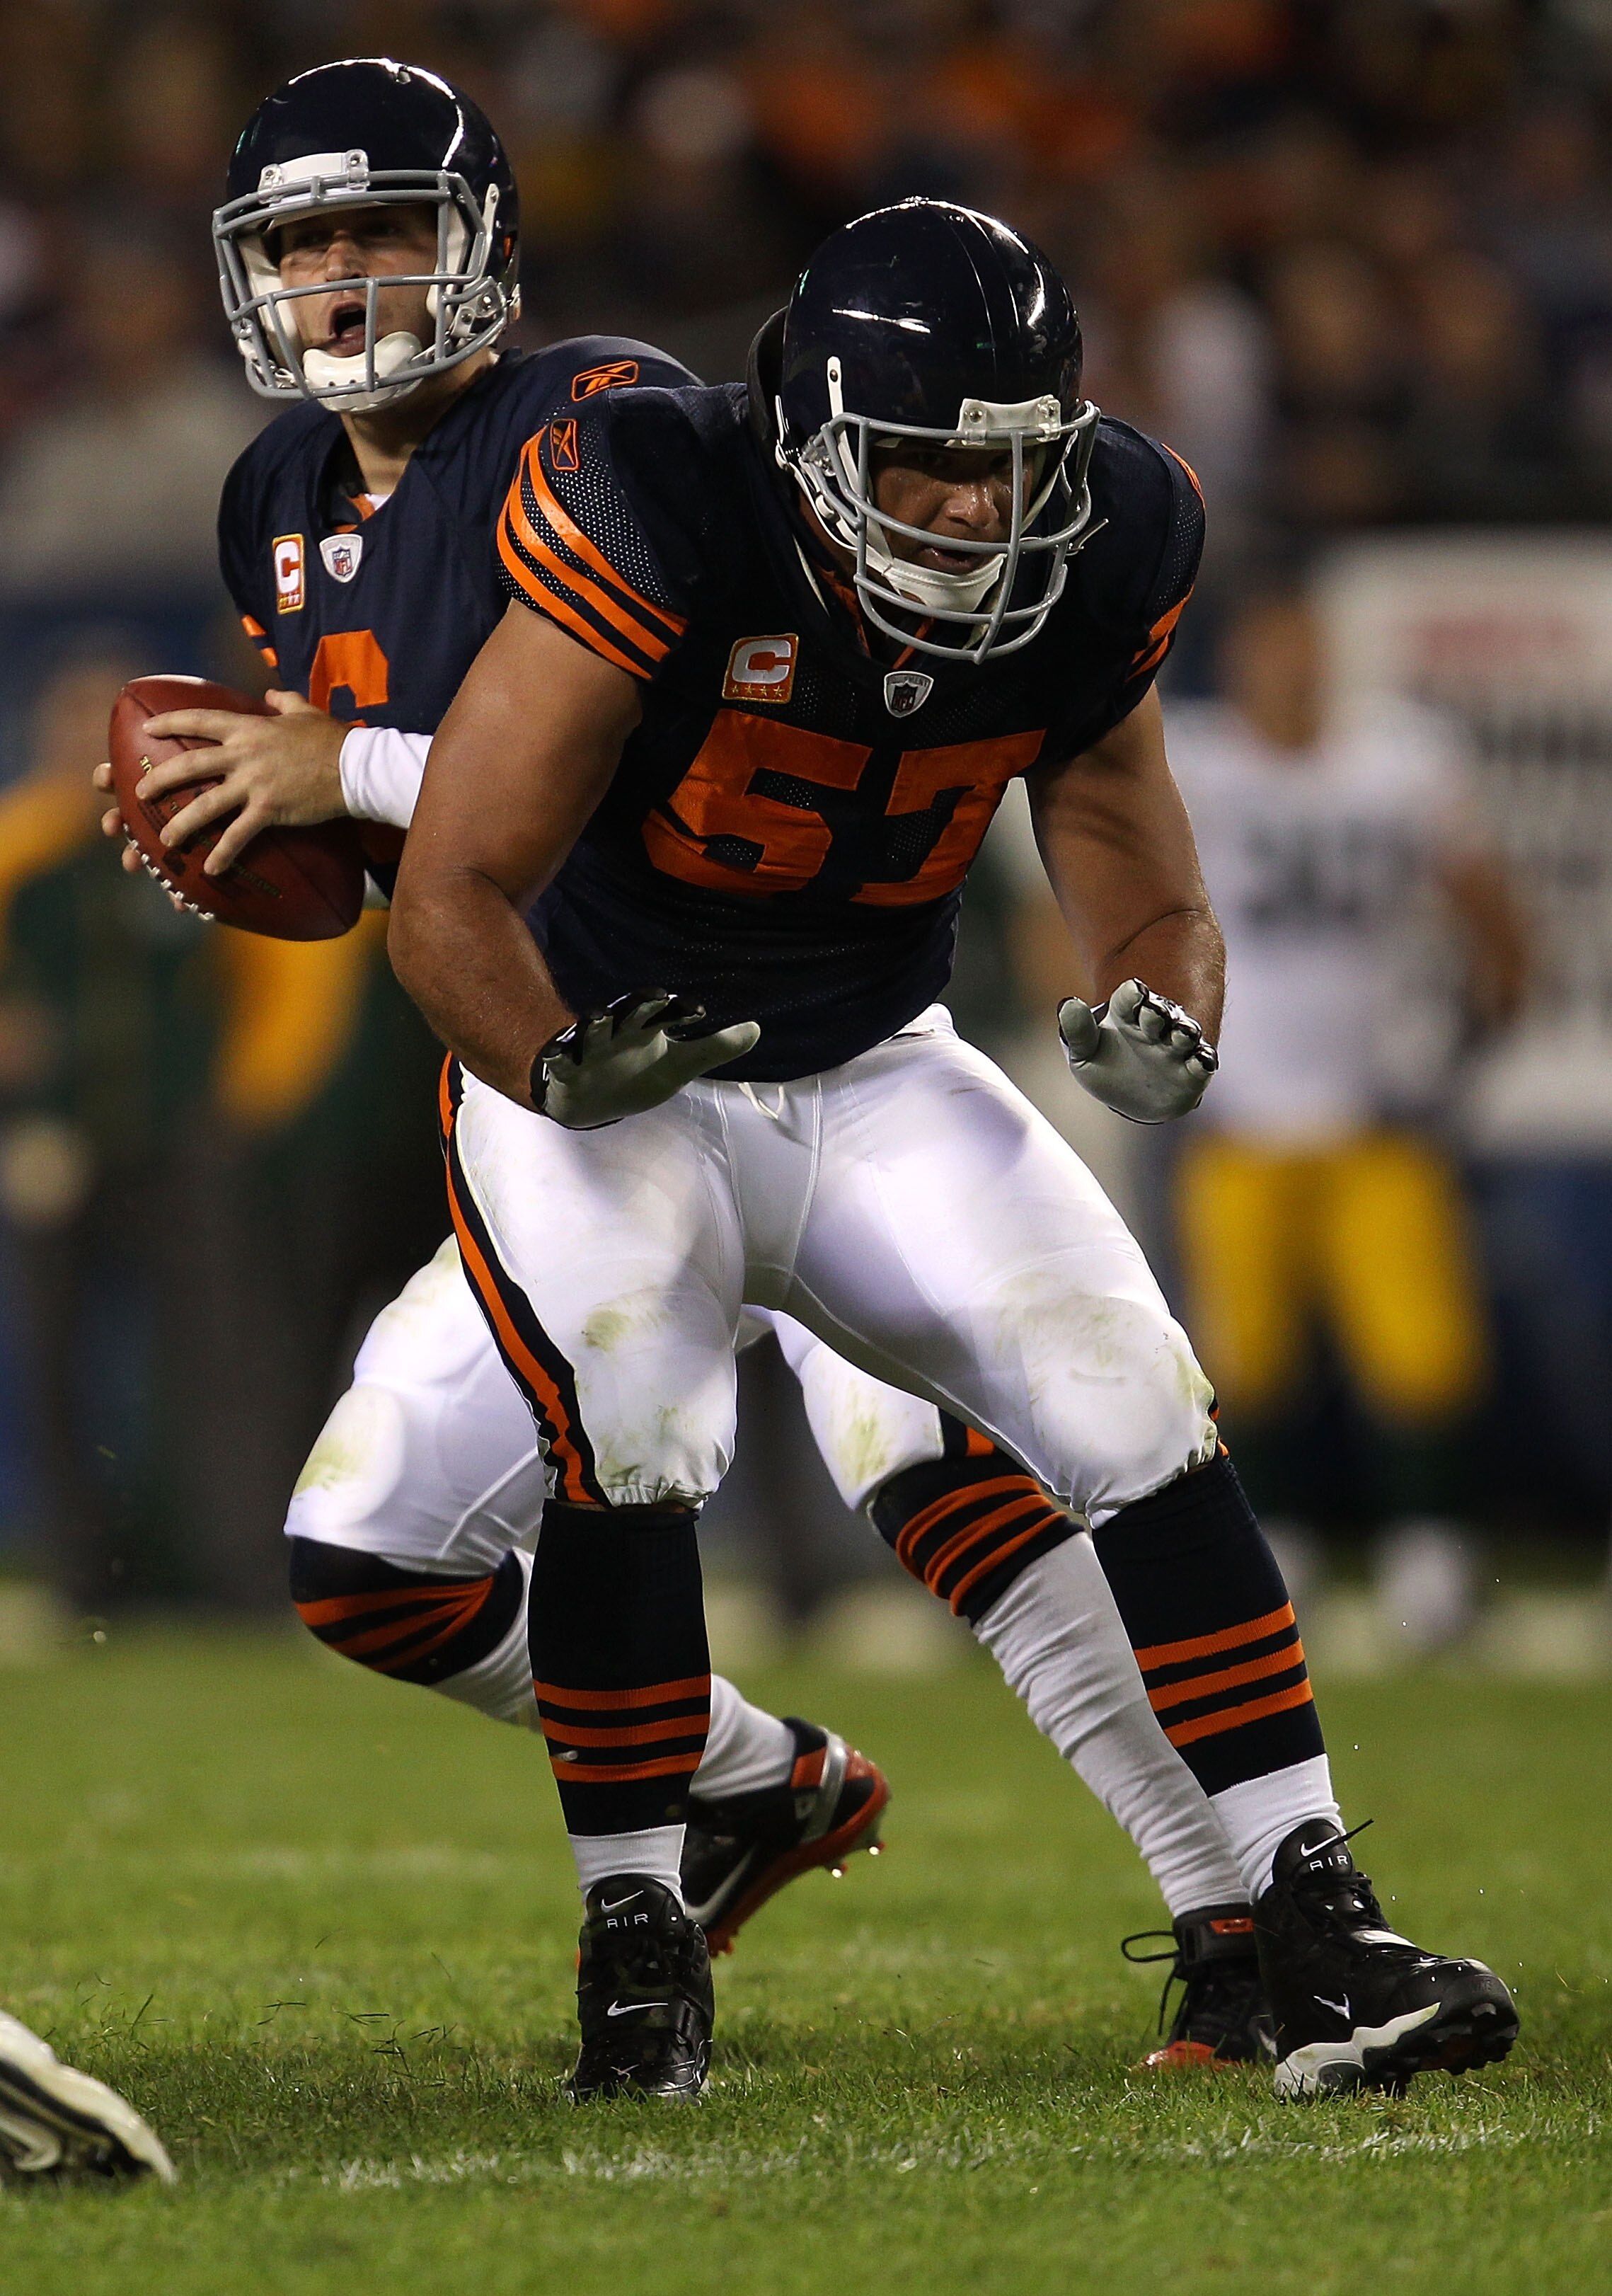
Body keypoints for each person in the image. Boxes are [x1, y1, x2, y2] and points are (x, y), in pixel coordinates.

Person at [100, 63, 1282, 2077]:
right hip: (572, 1069)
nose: (346, 278)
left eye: (384, 227)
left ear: (479, 240)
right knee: (370, 1559)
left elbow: (619, 764)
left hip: (793, 1023)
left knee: (955, 1466)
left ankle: (1243, 1907)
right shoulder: (274, 502)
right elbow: (443, 838)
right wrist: (287, 817)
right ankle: (752, 1778)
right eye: (305, 242)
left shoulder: (603, 431)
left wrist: (346, 769)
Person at [386, 194, 1519, 2103]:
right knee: (622, 1428)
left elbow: (1125, 841)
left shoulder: (1113, 539)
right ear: (813, 439)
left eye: (1011, 466)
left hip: (866, 1054)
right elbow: (447, 895)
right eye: (926, 465)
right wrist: (551, 1062)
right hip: (616, 1064)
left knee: (1130, 1393)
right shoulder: (662, 496)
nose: (977, 515)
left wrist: (1165, 999)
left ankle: (1304, 1913)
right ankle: (637, 1934)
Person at [1168, 587, 1529, 1646]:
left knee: (1418, 1352)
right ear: (1235, 658)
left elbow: (1487, 909)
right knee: (1245, 1355)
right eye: (1267, 647)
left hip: (1378, 1111)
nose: (1287, 670)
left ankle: (1431, 1565)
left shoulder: (1401, 761)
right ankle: (1278, 1559)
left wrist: (1473, 1038)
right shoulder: (1192, 761)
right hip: (1236, 1111)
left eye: (1302, 646)